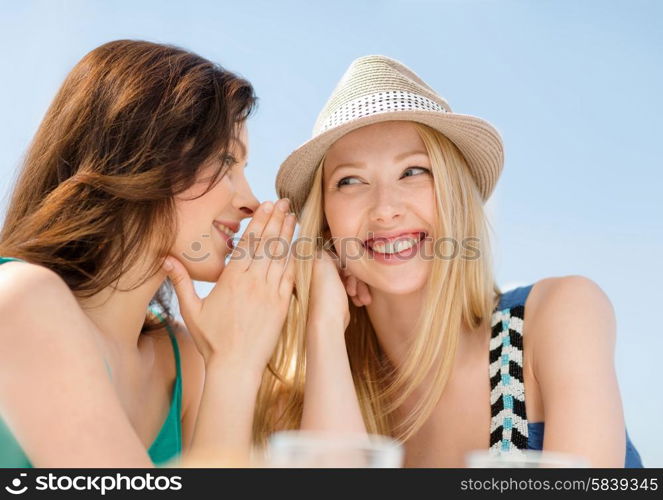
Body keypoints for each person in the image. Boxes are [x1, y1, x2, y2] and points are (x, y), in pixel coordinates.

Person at [257, 55, 643, 467]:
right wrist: (325, 327)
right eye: (350, 180)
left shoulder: (556, 317)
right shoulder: (304, 399)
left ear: (456, 197)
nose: (385, 209)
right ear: (327, 227)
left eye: (413, 171)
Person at [0, 40, 295, 467]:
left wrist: (237, 359)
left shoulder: (184, 360)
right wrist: (234, 365)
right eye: (225, 160)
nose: (251, 201)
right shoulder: (22, 297)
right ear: (138, 154)